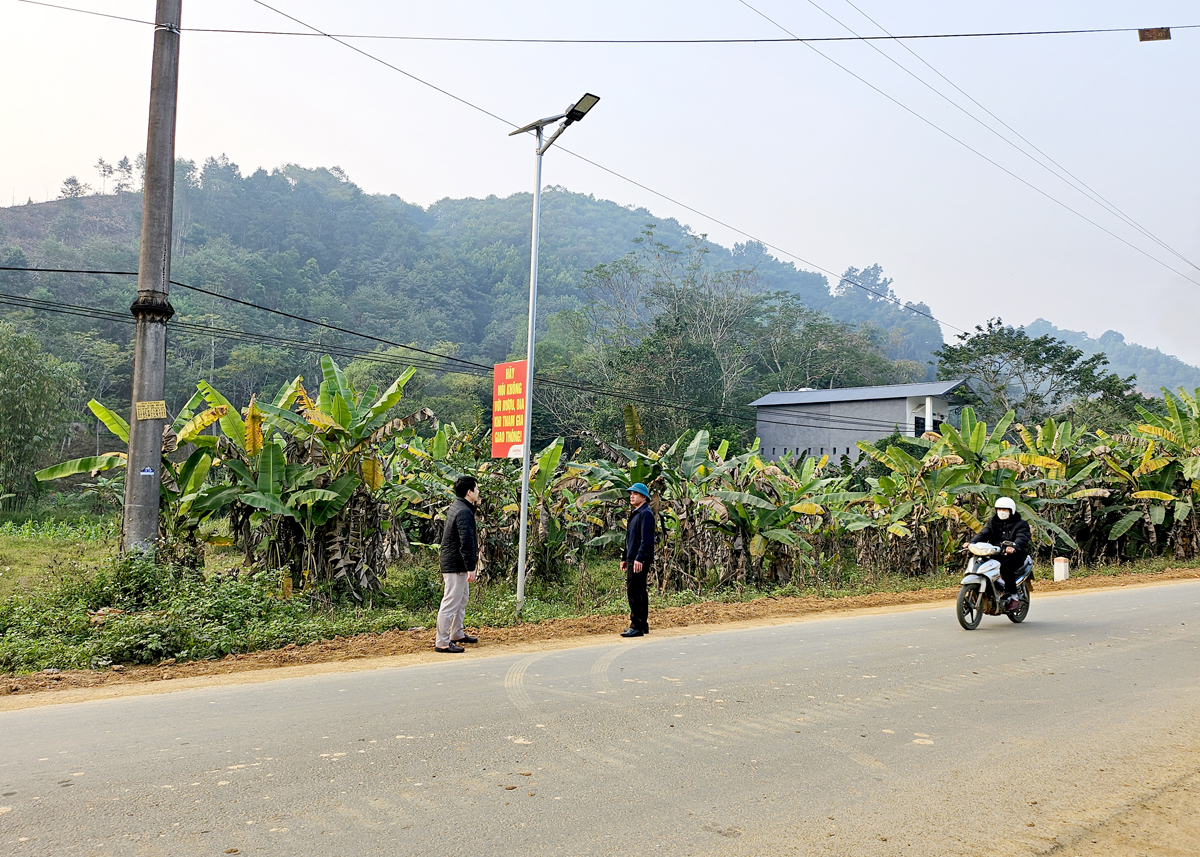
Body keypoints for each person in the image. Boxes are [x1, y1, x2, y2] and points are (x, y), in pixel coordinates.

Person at [436, 475, 481, 653]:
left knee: (461, 600)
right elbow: (466, 542)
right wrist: (471, 567)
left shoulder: (459, 506)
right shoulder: (463, 512)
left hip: (455, 562)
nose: (478, 492)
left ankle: (456, 633)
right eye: (476, 489)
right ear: (469, 492)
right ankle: (442, 641)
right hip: (456, 565)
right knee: (451, 603)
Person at [967, 496, 1031, 610]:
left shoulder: (1021, 524)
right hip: (996, 552)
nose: (1001, 512)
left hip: (1015, 554)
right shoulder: (993, 522)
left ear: (1011, 511)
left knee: (1006, 567)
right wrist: (972, 543)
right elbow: (984, 533)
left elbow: (1022, 538)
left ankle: (1013, 595)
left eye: (1004, 510)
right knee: (980, 561)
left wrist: (1014, 547)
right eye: (999, 510)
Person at [620, 482, 655, 638]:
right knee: (639, 590)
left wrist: (639, 558)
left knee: (635, 591)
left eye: (635, 493)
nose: (631, 496)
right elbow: (630, 539)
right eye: (631, 493)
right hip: (633, 558)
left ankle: (637, 626)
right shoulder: (635, 513)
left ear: (643, 497)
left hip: (639, 559)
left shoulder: (645, 514)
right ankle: (642, 625)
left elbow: (646, 540)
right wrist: (625, 557)